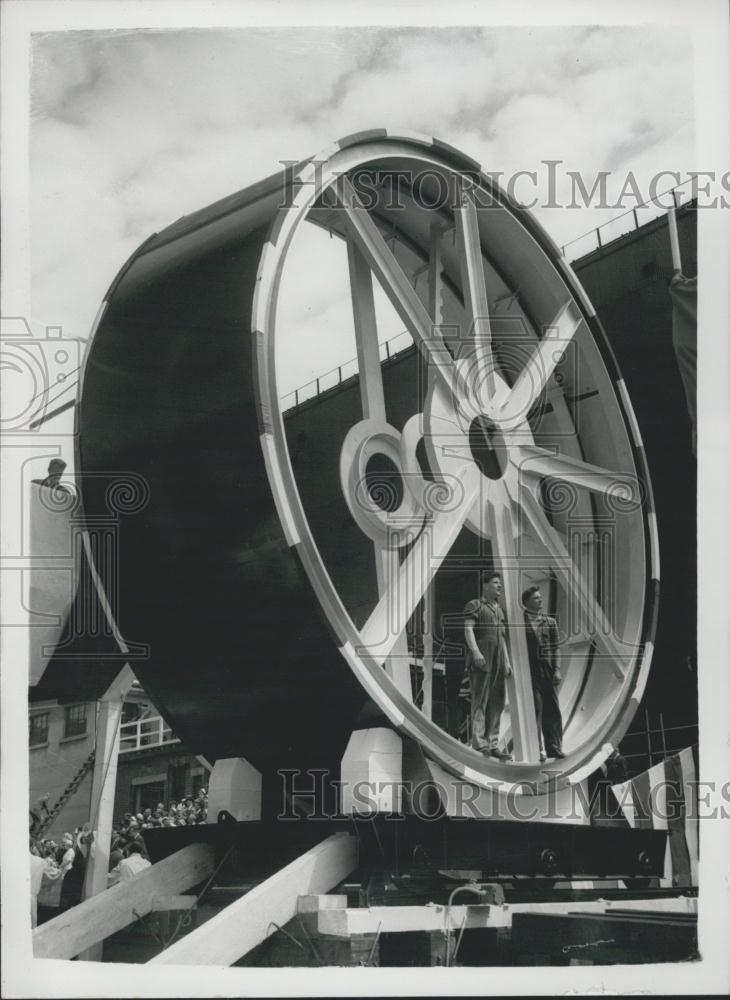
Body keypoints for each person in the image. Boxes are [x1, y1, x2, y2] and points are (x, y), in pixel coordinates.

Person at [463, 571, 513, 760]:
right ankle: (479, 741)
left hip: (499, 658)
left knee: (497, 701)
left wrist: (507, 661)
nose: (499, 586)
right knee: (480, 700)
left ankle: (493, 743)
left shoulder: (499, 610)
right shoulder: (475, 605)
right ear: (484, 585)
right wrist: (475, 651)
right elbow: (468, 629)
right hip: (483, 655)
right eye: (495, 583)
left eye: (500, 583)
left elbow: (501, 637)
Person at [522, 585, 564, 762]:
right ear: (527, 602)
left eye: (540, 597)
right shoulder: (521, 623)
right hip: (531, 672)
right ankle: (537, 750)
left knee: (552, 710)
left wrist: (557, 669)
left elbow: (556, 648)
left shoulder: (550, 622)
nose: (540, 600)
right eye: (536, 598)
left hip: (548, 670)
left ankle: (554, 747)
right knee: (536, 710)